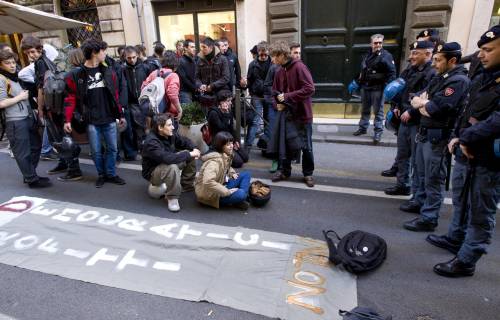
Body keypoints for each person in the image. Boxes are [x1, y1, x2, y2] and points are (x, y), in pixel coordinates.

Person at [429, 25, 500, 277]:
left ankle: (467, 259)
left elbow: (496, 120)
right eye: (481, 49)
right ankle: (455, 237)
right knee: (461, 200)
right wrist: (458, 137)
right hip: (467, 152)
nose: (481, 55)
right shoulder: (484, 77)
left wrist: (465, 137)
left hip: (488, 160)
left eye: (488, 50)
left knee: (481, 211)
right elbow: (467, 111)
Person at [403, 42, 471, 232]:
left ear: (453, 60)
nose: (434, 64)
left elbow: (434, 109)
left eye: (438, 60)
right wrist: (423, 102)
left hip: (438, 138)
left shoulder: (458, 81)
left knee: (434, 179)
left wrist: (423, 104)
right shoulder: (441, 77)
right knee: (421, 174)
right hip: (425, 134)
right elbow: (415, 96)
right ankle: (420, 203)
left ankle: (429, 218)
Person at [63, 38, 127, 188]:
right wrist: (67, 120)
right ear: (94, 53)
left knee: (113, 149)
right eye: (103, 50)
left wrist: (121, 114)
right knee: (96, 151)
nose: (105, 53)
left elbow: (115, 94)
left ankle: (110, 173)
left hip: (109, 118)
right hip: (91, 120)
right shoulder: (77, 75)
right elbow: (70, 98)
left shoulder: (107, 70)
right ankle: (101, 175)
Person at [384, 41, 435, 198]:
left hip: (417, 122)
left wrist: (412, 112)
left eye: (415, 53)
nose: (411, 56)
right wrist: (396, 106)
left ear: (428, 54)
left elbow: (427, 99)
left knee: (417, 161)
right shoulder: (409, 71)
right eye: (412, 52)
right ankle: (402, 185)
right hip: (404, 120)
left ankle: (417, 194)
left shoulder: (432, 74)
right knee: (402, 155)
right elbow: (400, 90)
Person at [0, 49, 50, 188]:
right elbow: (1, 102)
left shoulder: (15, 77)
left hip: (27, 116)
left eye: (13, 62)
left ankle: (29, 174)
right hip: (14, 120)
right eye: (7, 63)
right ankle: (31, 179)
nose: (12, 65)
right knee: (23, 152)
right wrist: (20, 97)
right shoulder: (1, 79)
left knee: (36, 145)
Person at [269, 40, 316, 188]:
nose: (273, 60)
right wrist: (276, 104)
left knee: (306, 146)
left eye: (275, 56)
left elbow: (310, 88)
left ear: (283, 55)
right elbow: (274, 92)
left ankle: (308, 173)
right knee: (286, 144)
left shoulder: (299, 67)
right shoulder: (278, 70)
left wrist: (288, 97)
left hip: (302, 115)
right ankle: (285, 171)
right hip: (287, 115)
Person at [142, 113, 200, 212]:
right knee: (173, 166)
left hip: (167, 164)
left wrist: (193, 148)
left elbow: (184, 141)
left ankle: (186, 185)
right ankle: (172, 197)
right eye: (169, 125)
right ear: (160, 127)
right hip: (153, 172)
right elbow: (167, 158)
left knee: (187, 154)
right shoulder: (151, 142)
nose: (173, 127)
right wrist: (190, 154)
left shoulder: (169, 134)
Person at [20, 36, 59, 161]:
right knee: (56, 133)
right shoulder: (46, 58)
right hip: (54, 100)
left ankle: (71, 167)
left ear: (39, 48)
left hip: (50, 102)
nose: (31, 56)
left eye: (32, 52)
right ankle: (64, 163)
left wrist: (40, 108)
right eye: (28, 53)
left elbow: (41, 88)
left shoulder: (41, 62)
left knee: (56, 133)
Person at [352, 34, 397, 143]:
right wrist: (358, 82)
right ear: (371, 43)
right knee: (365, 110)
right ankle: (363, 128)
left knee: (378, 112)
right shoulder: (367, 55)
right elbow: (363, 71)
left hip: (378, 88)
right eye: (376, 43)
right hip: (365, 87)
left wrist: (388, 87)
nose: (378, 45)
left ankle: (378, 132)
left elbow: (392, 73)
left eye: (380, 43)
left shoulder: (386, 56)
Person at [195, 131, 251, 210]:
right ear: (220, 146)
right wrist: (227, 192)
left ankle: (239, 200)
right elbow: (208, 181)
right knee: (241, 194)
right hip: (211, 195)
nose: (231, 146)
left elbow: (226, 166)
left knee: (246, 174)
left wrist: (231, 172)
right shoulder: (213, 163)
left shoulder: (225, 155)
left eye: (232, 143)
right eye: (228, 144)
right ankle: (240, 199)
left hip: (221, 184)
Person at [142, 50, 182, 128]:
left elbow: (143, 87)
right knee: (170, 135)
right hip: (168, 114)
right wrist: (179, 109)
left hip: (155, 112)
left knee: (158, 135)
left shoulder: (154, 73)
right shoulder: (173, 75)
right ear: (175, 63)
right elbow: (172, 94)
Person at [207, 90, 247, 168]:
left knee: (245, 157)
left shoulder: (229, 111)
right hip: (219, 142)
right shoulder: (213, 113)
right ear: (221, 102)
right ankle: (218, 155)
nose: (230, 103)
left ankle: (228, 153)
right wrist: (225, 114)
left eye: (230, 100)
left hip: (228, 141)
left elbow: (231, 128)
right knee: (239, 163)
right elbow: (222, 129)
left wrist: (235, 141)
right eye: (228, 101)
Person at [122, 46, 149, 158]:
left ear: (137, 55)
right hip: (130, 102)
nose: (132, 60)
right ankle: (135, 150)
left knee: (143, 126)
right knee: (132, 128)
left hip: (143, 100)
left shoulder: (145, 67)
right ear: (125, 57)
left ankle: (143, 148)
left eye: (133, 57)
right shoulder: (122, 69)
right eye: (129, 58)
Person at [246, 41, 272, 150]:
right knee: (255, 120)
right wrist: (251, 92)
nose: (264, 57)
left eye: (266, 54)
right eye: (261, 54)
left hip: (269, 95)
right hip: (256, 95)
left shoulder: (273, 63)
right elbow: (249, 79)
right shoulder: (252, 64)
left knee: (268, 120)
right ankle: (247, 145)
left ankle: (266, 145)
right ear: (258, 53)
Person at [195, 37, 230, 108]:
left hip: (220, 94)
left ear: (211, 47)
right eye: (201, 47)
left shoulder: (223, 59)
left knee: (219, 117)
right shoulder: (200, 60)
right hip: (205, 95)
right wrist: (200, 85)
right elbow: (196, 77)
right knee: (207, 117)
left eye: (204, 47)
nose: (202, 49)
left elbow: (226, 77)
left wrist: (212, 86)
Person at [177, 39, 197, 104]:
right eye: (192, 47)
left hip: (193, 92)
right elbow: (184, 79)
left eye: (194, 47)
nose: (194, 49)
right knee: (188, 113)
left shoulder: (193, 61)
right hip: (184, 93)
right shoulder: (180, 61)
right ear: (185, 48)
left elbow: (194, 77)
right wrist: (195, 88)